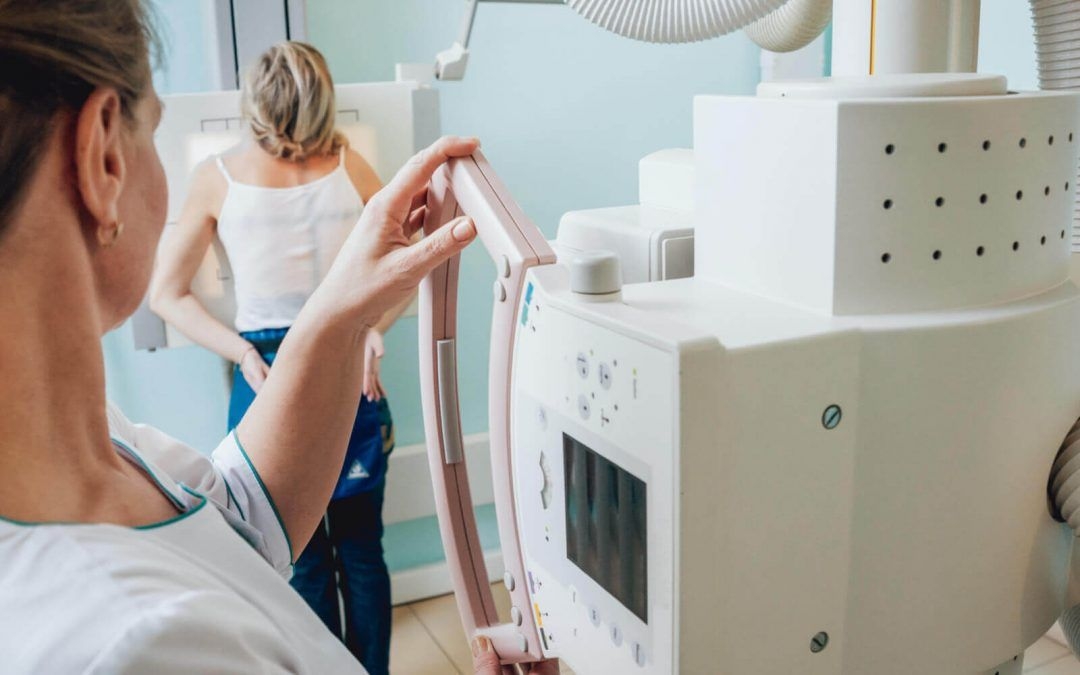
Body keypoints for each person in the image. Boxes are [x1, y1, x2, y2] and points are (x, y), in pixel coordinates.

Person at [0, 1, 479, 672]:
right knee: (360, 552)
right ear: (104, 157)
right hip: (315, 365)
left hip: (297, 361)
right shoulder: (147, 645)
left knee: (336, 556)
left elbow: (238, 522)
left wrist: (344, 319)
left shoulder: (106, 442)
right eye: (154, 130)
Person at [149, 41, 401, 673]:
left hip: (266, 370)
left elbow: (164, 293)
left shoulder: (218, 173)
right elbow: (409, 264)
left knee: (297, 553)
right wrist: (371, 330)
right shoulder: (351, 165)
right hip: (344, 354)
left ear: (254, 101)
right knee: (362, 549)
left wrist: (240, 352)